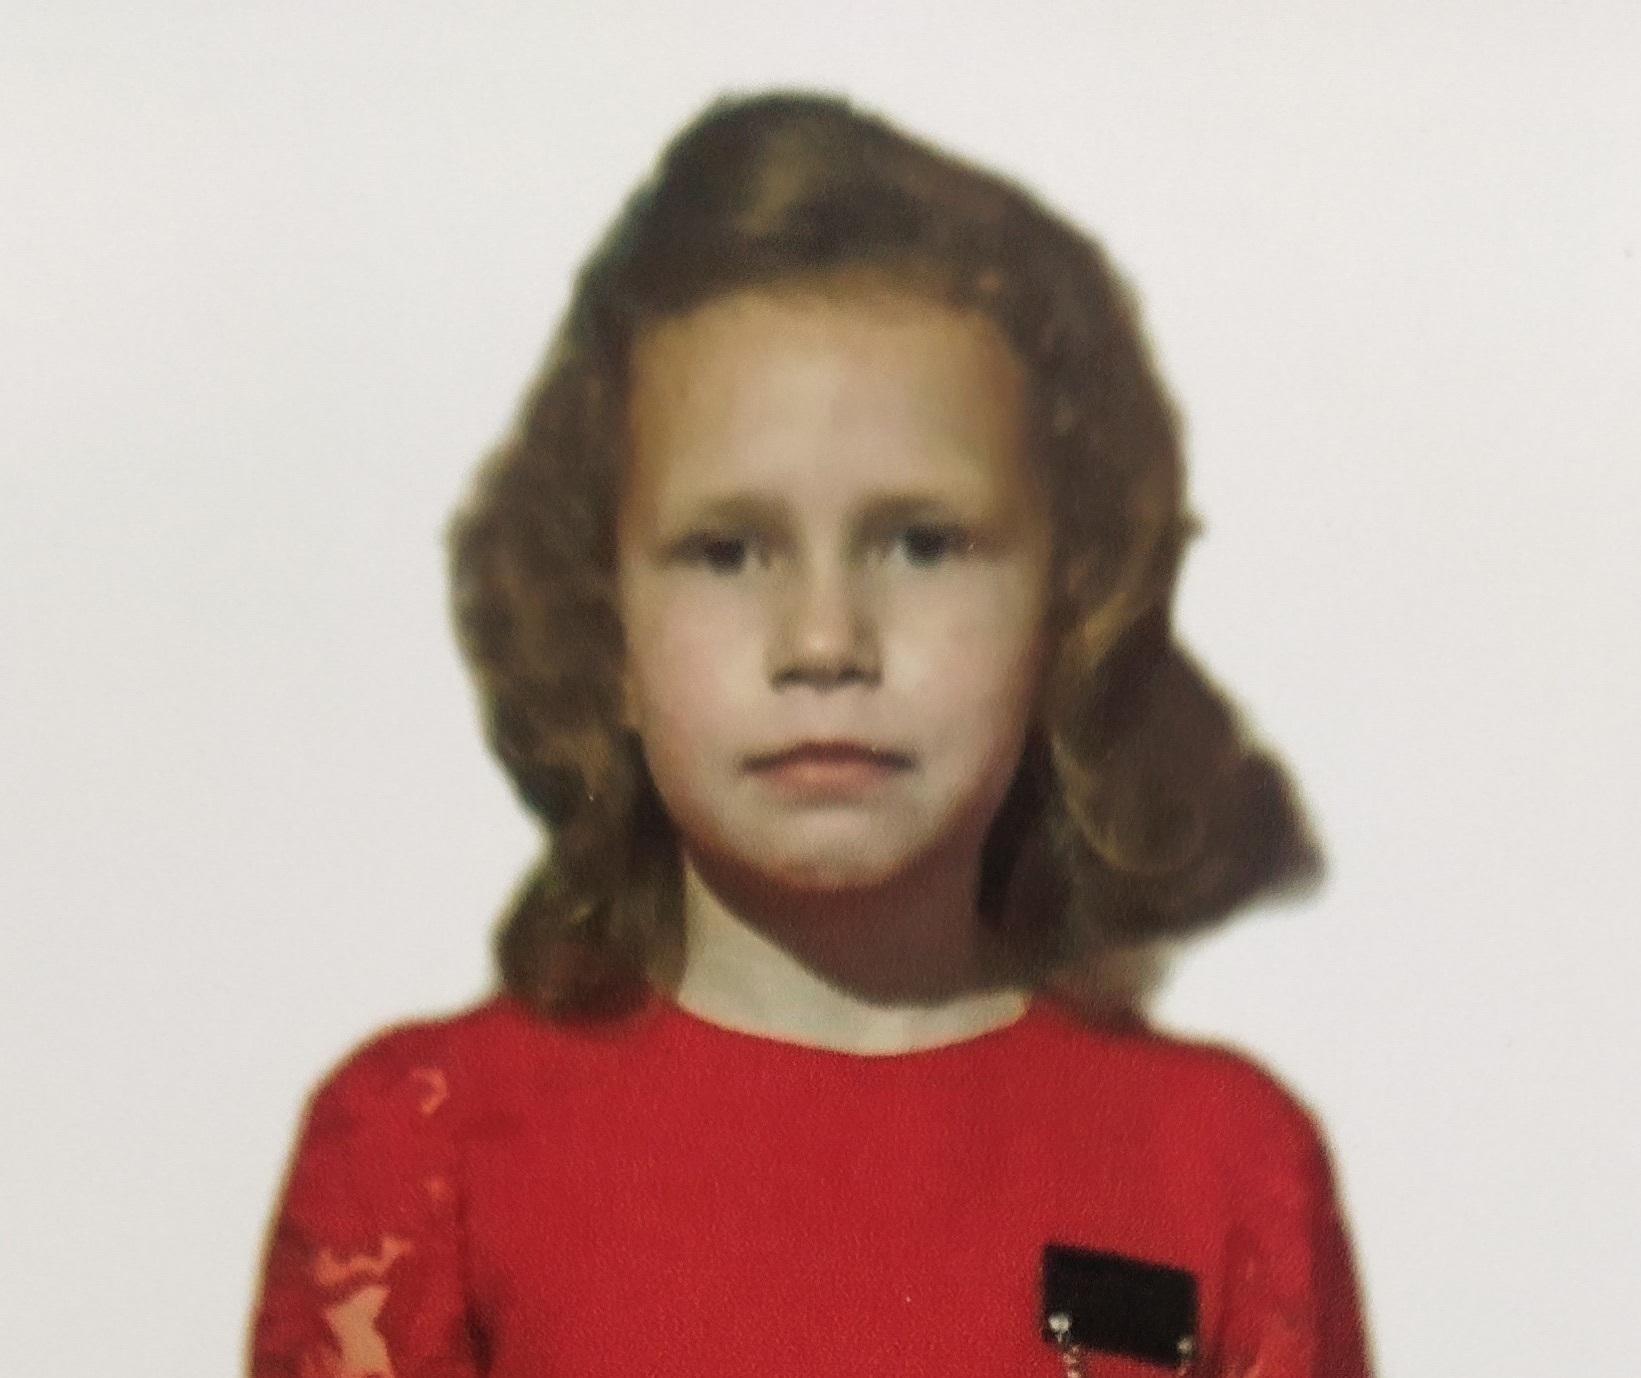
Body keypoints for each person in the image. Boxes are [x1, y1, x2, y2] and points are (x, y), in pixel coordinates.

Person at [248, 91, 1373, 1377]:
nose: (826, 640)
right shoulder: (427, 1153)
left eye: (922, 543)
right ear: (601, 627)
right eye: (729, 550)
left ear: (1067, 606)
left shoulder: (1222, 1165)